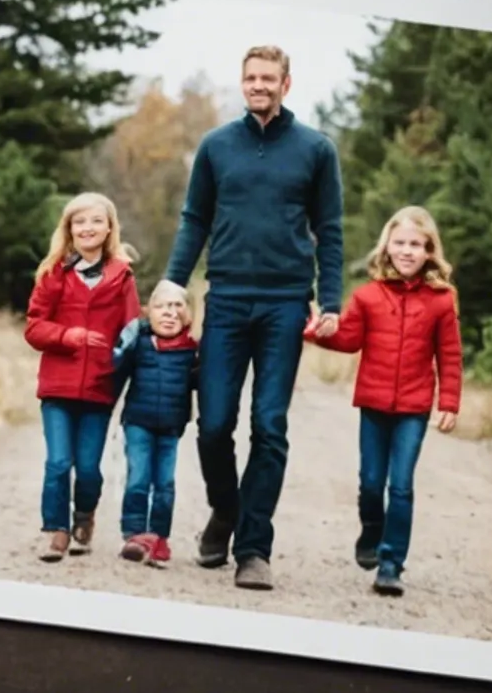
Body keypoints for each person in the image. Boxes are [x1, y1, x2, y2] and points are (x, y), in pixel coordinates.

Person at [160, 44, 345, 592]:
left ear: (287, 83)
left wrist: (329, 301)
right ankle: (226, 508)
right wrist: (174, 278)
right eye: (250, 77)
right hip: (228, 299)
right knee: (214, 422)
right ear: (242, 84)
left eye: (268, 77)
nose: (258, 85)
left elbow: (330, 230)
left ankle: (254, 549)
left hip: (286, 303)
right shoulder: (217, 146)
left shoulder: (316, 149)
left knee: (270, 423)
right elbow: (195, 218)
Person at [308, 206, 463, 598]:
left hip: (414, 407)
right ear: (387, 247)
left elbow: (450, 354)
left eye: (416, 244)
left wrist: (450, 402)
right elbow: (348, 340)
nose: (407, 251)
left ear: (429, 250)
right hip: (374, 404)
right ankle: (372, 529)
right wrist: (316, 332)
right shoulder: (368, 297)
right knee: (371, 483)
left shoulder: (441, 301)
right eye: (400, 243)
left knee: (403, 485)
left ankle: (391, 564)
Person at [26, 192, 138, 561]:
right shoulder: (54, 273)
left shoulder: (122, 276)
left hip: (99, 389)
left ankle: (84, 515)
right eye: (79, 222)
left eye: (95, 221)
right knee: (59, 462)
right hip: (58, 386)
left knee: (88, 469)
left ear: (109, 228)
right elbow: (34, 328)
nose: (87, 228)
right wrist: (67, 336)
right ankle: (56, 530)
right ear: (69, 229)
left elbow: (132, 329)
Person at [112, 282, 200, 567]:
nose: (169, 313)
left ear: (187, 316)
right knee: (139, 478)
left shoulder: (191, 352)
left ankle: (159, 537)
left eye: (177, 307)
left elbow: (203, 383)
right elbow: (114, 369)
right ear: (148, 314)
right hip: (138, 421)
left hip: (171, 427)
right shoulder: (139, 344)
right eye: (162, 307)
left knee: (164, 484)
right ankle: (135, 536)